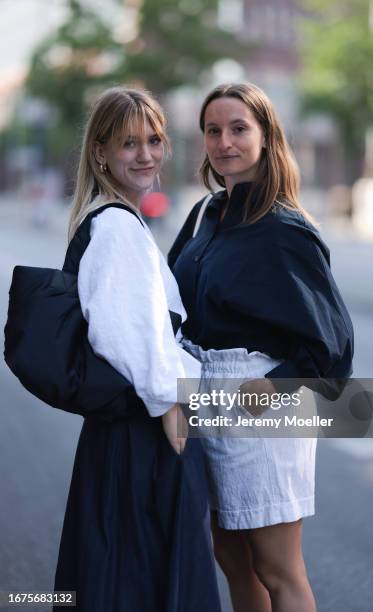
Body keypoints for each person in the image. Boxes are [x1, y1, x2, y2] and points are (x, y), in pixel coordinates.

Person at [169, 83, 354, 612]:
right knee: (230, 556)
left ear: (267, 136)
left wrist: (272, 389)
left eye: (238, 128)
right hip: (204, 397)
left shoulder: (283, 227)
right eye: (213, 130)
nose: (224, 141)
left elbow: (334, 344)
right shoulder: (207, 215)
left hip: (260, 404)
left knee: (278, 568)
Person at [53, 87, 221, 612]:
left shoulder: (112, 218)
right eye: (130, 143)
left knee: (118, 573)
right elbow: (125, 334)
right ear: (101, 152)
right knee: (148, 577)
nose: (147, 154)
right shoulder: (116, 227)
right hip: (145, 432)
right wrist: (171, 405)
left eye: (155, 140)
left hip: (129, 432)